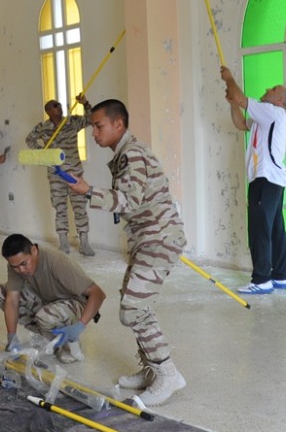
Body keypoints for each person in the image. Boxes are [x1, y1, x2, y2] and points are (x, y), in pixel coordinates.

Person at [66, 99, 187, 407]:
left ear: (118, 124)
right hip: (147, 238)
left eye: (98, 126)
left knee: (133, 307)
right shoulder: (125, 153)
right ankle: (152, 370)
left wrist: (88, 191)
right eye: (93, 126)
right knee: (133, 302)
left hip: (159, 237)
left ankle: (168, 374)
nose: (93, 133)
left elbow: (129, 201)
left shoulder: (132, 154)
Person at [220, 66, 286, 294]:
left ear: (279, 100)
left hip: (265, 179)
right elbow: (241, 124)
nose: (267, 89)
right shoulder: (266, 118)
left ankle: (261, 280)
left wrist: (229, 78)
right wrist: (233, 103)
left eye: (273, 89)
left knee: (260, 230)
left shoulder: (272, 112)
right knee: (275, 229)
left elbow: (241, 98)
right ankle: (280, 276)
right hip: (272, 180)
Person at [0, 234, 105, 364]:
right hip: (47, 299)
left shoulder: (57, 262)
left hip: (76, 302)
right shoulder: (17, 264)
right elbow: (12, 300)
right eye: (15, 267)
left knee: (45, 316)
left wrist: (80, 326)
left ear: (34, 250)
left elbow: (98, 293)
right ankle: (48, 336)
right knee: (0, 294)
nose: (21, 270)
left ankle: (68, 340)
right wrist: (11, 336)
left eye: (24, 264)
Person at [25, 96, 94, 255]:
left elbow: (91, 119)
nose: (60, 107)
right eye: (55, 106)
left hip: (74, 174)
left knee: (80, 208)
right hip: (56, 174)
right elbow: (29, 139)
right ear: (48, 111)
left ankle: (84, 243)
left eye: (60, 105)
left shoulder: (71, 122)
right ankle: (63, 243)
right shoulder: (43, 127)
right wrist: (43, 153)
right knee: (60, 208)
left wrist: (85, 104)